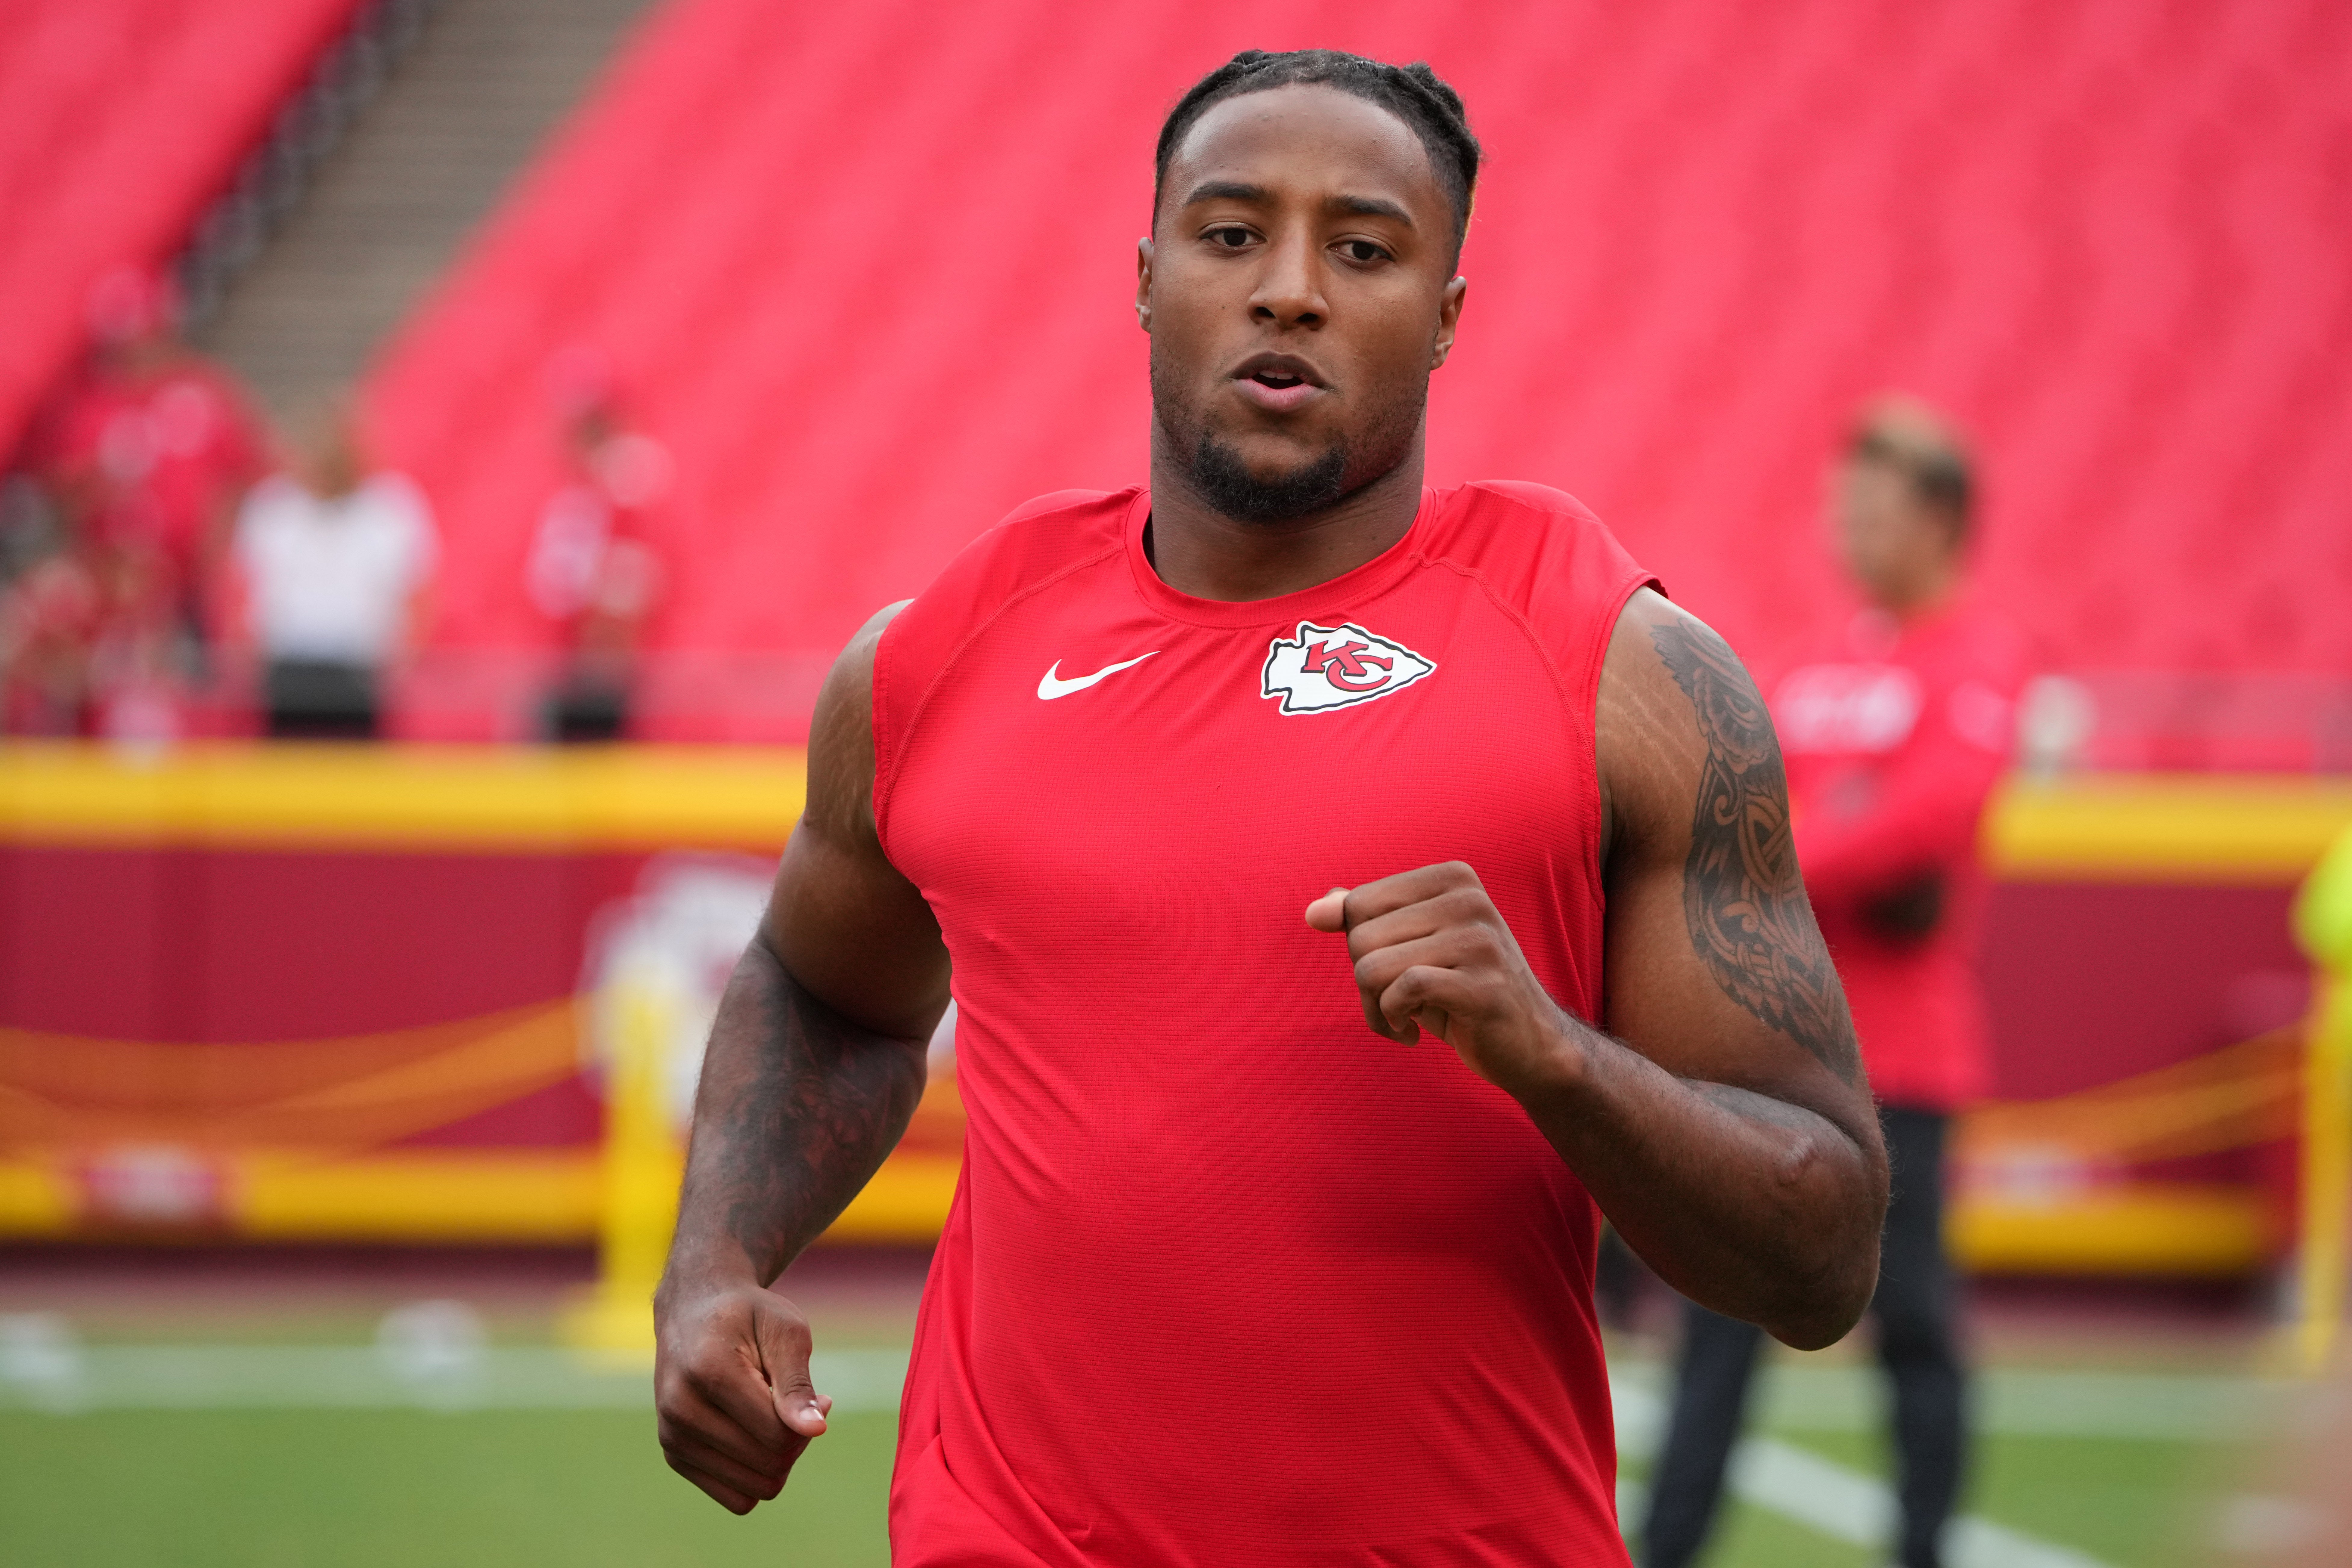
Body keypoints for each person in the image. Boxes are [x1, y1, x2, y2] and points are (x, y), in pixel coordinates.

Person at [652, 51, 1890, 1566]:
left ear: (1445, 314)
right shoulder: (933, 659)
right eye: (1231, 234)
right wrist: (715, 1264)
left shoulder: (1624, 674)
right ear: (1147, 275)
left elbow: (1824, 1251)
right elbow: (825, 992)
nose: (1289, 289)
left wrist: (1555, 1057)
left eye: (1361, 249)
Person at [1639, 399, 2029, 1568]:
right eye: (1839, 506)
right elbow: (1732, 803)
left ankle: (1921, 1548)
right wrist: (1826, 829)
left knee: (1910, 1324)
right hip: (1761, 1047)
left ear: (1942, 520)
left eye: (1872, 506)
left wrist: (1794, 845)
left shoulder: (1979, 659)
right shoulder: (1811, 666)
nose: (1847, 528)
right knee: (1715, 1328)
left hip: (1899, 1060)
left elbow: (1927, 819)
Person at [24, 265, 269, 734]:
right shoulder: (91, 409)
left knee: (200, 698)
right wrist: (101, 485)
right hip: (115, 593)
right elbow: (64, 500)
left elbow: (250, 477)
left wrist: (213, 552)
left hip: (190, 591)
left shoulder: (203, 394)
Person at [230, 402, 436, 738]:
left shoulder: (391, 508)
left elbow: (419, 599)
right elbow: (241, 595)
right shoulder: (271, 507)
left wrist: (396, 668)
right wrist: (250, 663)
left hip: (363, 675)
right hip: (285, 673)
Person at [525, 390, 668, 741]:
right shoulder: (580, 501)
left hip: (595, 677)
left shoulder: (625, 503)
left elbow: (624, 596)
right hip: (567, 668)